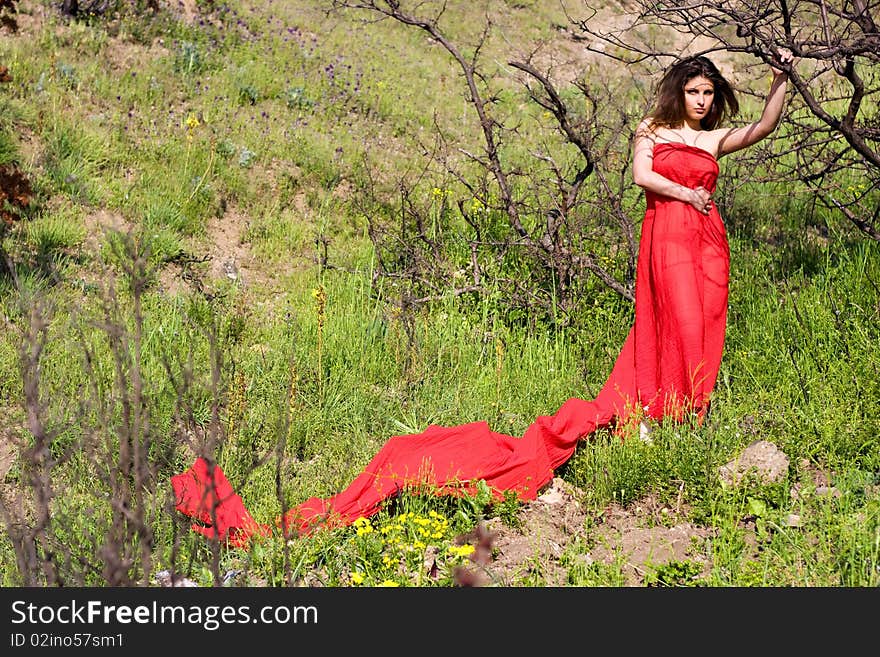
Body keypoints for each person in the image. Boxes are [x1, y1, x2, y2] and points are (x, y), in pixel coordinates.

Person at [171, 50, 794, 547]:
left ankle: (690, 416)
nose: (703, 101)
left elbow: (765, 127)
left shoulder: (713, 141)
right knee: (669, 323)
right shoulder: (653, 129)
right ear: (677, 93)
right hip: (668, 235)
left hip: (708, 241)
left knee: (705, 325)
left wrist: (781, 81)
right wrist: (685, 197)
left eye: (710, 95)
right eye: (694, 92)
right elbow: (641, 176)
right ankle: (656, 412)